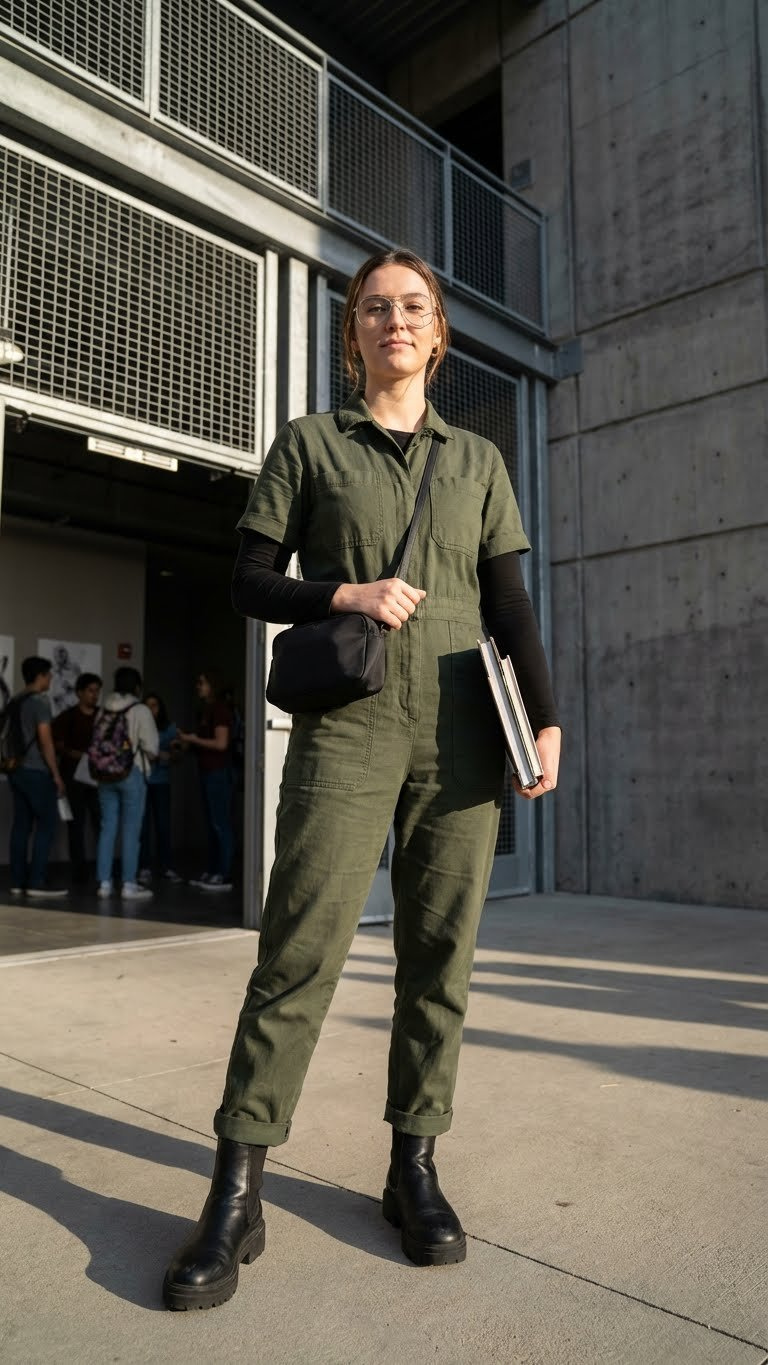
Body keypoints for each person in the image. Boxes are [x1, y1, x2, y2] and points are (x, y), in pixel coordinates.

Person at [162, 248, 561, 1311]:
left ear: (437, 336)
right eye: (375, 308)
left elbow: (509, 602)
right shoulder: (309, 446)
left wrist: (549, 717)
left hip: (468, 734)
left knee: (442, 960)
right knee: (298, 952)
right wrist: (344, 592)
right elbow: (249, 581)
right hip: (346, 729)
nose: (395, 320)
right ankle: (235, 1191)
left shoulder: (477, 460)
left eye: (414, 308)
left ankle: (411, 1169)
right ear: (355, 337)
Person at [94, 667, 158, 901]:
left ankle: (104, 883)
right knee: (131, 829)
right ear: (137, 687)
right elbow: (151, 749)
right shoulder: (140, 710)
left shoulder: (103, 708)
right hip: (132, 773)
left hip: (104, 775)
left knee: (107, 827)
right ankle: (129, 884)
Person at [7, 656, 68, 898]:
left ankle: (16, 880)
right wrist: (56, 774)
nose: (51, 678)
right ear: (40, 675)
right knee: (46, 825)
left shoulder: (14, 700)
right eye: (49, 674)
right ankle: (36, 881)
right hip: (37, 771)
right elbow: (45, 741)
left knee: (21, 826)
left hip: (16, 770)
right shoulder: (40, 703)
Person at [178, 673, 235, 892]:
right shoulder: (207, 710)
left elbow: (221, 744)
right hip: (207, 772)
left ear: (213, 685)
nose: (198, 686)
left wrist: (192, 739)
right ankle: (213, 871)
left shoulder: (220, 710)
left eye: (202, 682)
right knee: (212, 824)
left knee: (220, 824)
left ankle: (223, 873)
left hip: (218, 773)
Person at [52, 672, 102, 885]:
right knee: (77, 825)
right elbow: (59, 745)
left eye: (97, 691)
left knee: (101, 822)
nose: (95, 695)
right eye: (91, 691)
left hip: (98, 776)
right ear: (80, 692)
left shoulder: (102, 716)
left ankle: (103, 868)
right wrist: (78, 754)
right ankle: (79, 870)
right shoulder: (68, 716)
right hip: (74, 777)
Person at [138, 693, 182, 884]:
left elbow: (178, 755)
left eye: (154, 705)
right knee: (143, 827)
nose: (151, 710)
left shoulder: (169, 728)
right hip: (143, 781)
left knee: (163, 825)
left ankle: (167, 866)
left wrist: (169, 754)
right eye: (147, 706)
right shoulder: (139, 726)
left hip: (161, 782)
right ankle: (144, 867)